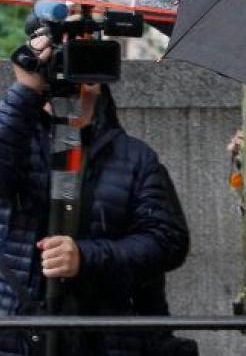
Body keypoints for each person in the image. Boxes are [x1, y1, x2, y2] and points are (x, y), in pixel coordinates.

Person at [0, 34, 190, 355]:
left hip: (107, 338)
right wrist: (25, 91)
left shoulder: (135, 157)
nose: (73, 77)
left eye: (83, 59)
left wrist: (86, 257)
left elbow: (168, 242)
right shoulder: (17, 143)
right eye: (61, 60)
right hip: (17, 336)